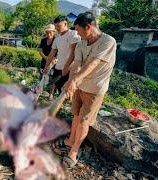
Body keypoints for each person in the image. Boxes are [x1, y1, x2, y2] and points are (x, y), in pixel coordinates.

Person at [62, 12, 117, 168]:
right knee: (76, 115)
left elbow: (92, 64)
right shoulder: (81, 43)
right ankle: (71, 140)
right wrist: (71, 81)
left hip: (95, 89)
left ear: (89, 27)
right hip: (80, 86)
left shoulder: (108, 42)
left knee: (84, 121)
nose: (78, 34)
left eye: (80, 31)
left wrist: (74, 80)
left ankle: (74, 151)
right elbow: (77, 64)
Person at [43, 15, 81, 100]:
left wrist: (66, 67)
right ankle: (60, 109)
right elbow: (51, 54)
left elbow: (73, 52)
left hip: (70, 69)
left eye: (58, 26)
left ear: (65, 23)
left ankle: (69, 109)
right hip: (58, 67)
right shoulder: (57, 38)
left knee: (68, 91)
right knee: (59, 89)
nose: (57, 28)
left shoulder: (73, 34)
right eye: (55, 26)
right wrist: (46, 67)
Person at [38, 24, 57, 98]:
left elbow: (57, 52)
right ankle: (40, 92)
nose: (48, 34)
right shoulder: (43, 40)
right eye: (47, 32)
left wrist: (52, 60)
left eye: (50, 32)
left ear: (53, 32)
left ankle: (51, 94)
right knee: (42, 76)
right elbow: (40, 50)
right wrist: (46, 58)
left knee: (52, 78)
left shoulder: (56, 40)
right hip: (44, 61)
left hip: (53, 62)